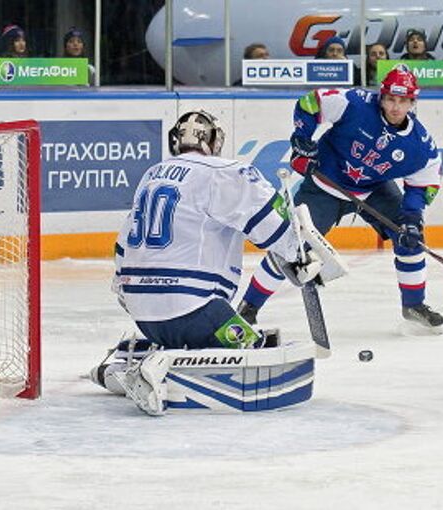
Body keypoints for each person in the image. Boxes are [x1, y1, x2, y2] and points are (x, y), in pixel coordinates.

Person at [93, 111, 330, 413]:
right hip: (195, 308)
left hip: (143, 313)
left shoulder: (152, 174)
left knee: (191, 340)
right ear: (215, 140)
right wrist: (299, 254)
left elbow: (122, 246)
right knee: (256, 353)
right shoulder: (226, 171)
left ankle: (121, 367)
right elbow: (271, 225)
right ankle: (157, 371)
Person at [237, 65, 443, 332]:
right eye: (390, 99)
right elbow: (310, 103)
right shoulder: (355, 104)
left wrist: (413, 218)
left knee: (412, 238)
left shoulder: (420, 145)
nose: (395, 107)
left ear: (412, 103)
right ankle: (249, 306)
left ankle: (414, 304)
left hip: (375, 189)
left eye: (403, 101)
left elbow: (422, 186)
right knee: (292, 243)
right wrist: (302, 140)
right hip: (323, 184)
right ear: (381, 96)